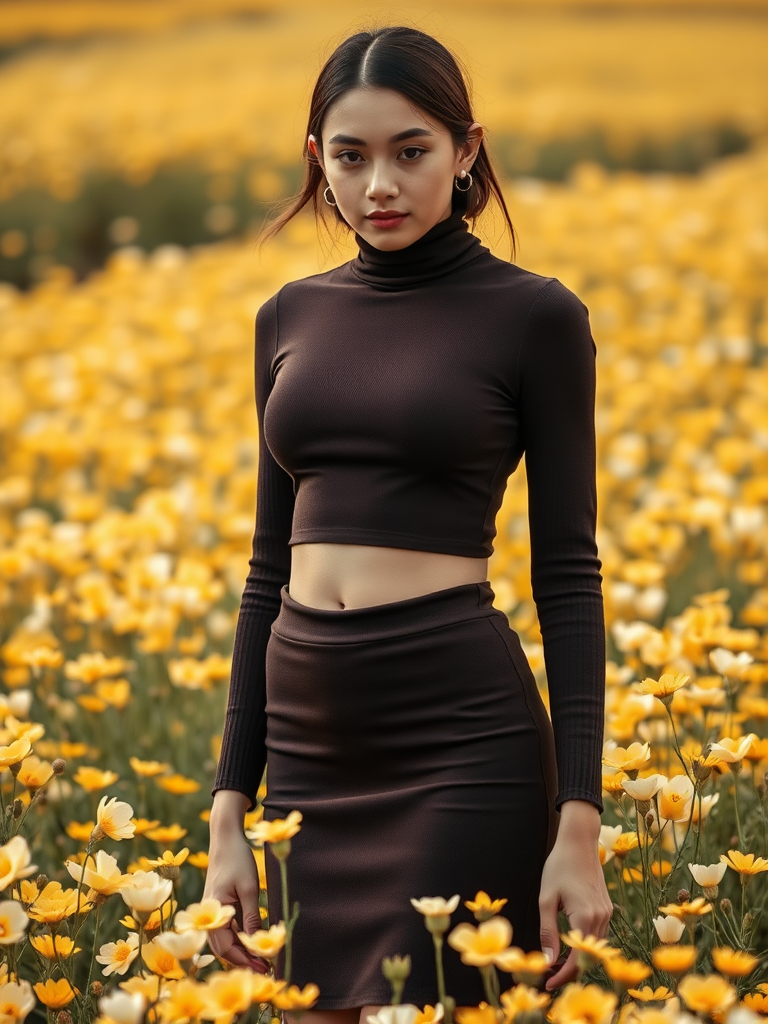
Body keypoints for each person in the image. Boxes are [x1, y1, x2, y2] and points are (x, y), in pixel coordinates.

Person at [204, 24, 613, 1024]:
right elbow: (268, 570)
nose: (378, 183)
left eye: (410, 152)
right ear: (318, 162)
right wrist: (227, 811)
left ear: (467, 149)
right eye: (351, 157)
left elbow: (567, 572)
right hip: (307, 749)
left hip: (459, 739)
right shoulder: (287, 316)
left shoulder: (535, 318)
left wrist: (579, 823)